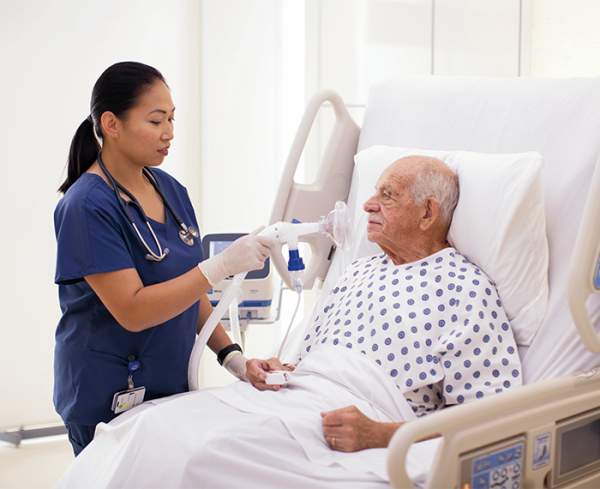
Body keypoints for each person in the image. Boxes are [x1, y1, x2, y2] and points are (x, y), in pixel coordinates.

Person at [54, 155, 522, 489]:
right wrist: (270, 367)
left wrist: (379, 435)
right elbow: (307, 359)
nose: (367, 205)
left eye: (387, 195)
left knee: (205, 456)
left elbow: (489, 419)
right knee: (142, 430)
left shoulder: (465, 287)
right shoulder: (358, 272)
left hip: (359, 411)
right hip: (289, 398)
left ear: (427, 213)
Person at [54, 61, 274, 456]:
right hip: (106, 394)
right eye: (156, 121)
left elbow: (189, 293)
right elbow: (133, 311)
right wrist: (220, 266)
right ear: (111, 124)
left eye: (172, 119)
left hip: (168, 388)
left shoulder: (171, 191)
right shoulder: (87, 206)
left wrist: (234, 360)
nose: (169, 133)